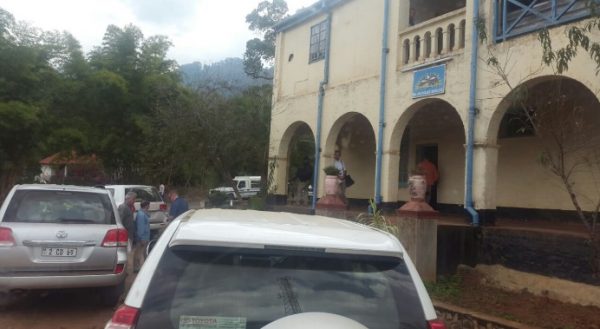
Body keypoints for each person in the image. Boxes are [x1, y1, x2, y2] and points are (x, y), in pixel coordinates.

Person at [134, 200, 150, 273]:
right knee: (139, 253)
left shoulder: (143, 213)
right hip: (142, 238)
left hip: (145, 237)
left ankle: (143, 267)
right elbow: (140, 228)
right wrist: (142, 238)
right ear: (146, 206)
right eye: (148, 205)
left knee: (143, 252)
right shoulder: (141, 215)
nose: (149, 206)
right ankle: (136, 268)